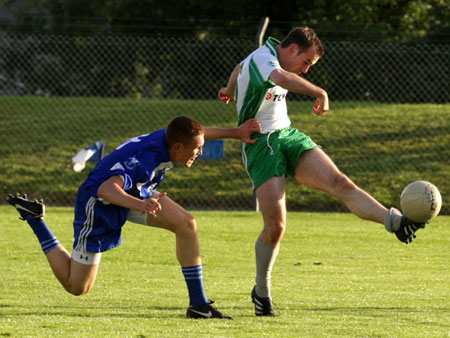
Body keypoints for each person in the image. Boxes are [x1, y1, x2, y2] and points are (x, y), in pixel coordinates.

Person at [218, 27, 426, 317]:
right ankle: (261, 290)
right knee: (276, 226)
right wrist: (320, 91)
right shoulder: (265, 57)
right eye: (306, 63)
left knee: (339, 181)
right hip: (259, 144)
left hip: (287, 135)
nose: (304, 71)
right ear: (292, 50)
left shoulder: (261, 58)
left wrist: (228, 90)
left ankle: (395, 222)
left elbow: (239, 67)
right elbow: (280, 78)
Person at [7, 115, 261, 320]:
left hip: (134, 193)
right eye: (196, 150)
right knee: (77, 287)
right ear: (177, 147)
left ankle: (198, 304)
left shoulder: (173, 139)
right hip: (100, 203)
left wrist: (236, 132)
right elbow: (106, 189)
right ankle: (36, 219)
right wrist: (141, 203)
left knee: (186, 224)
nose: (200, 153)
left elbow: (200, 134)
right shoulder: (144, 160)